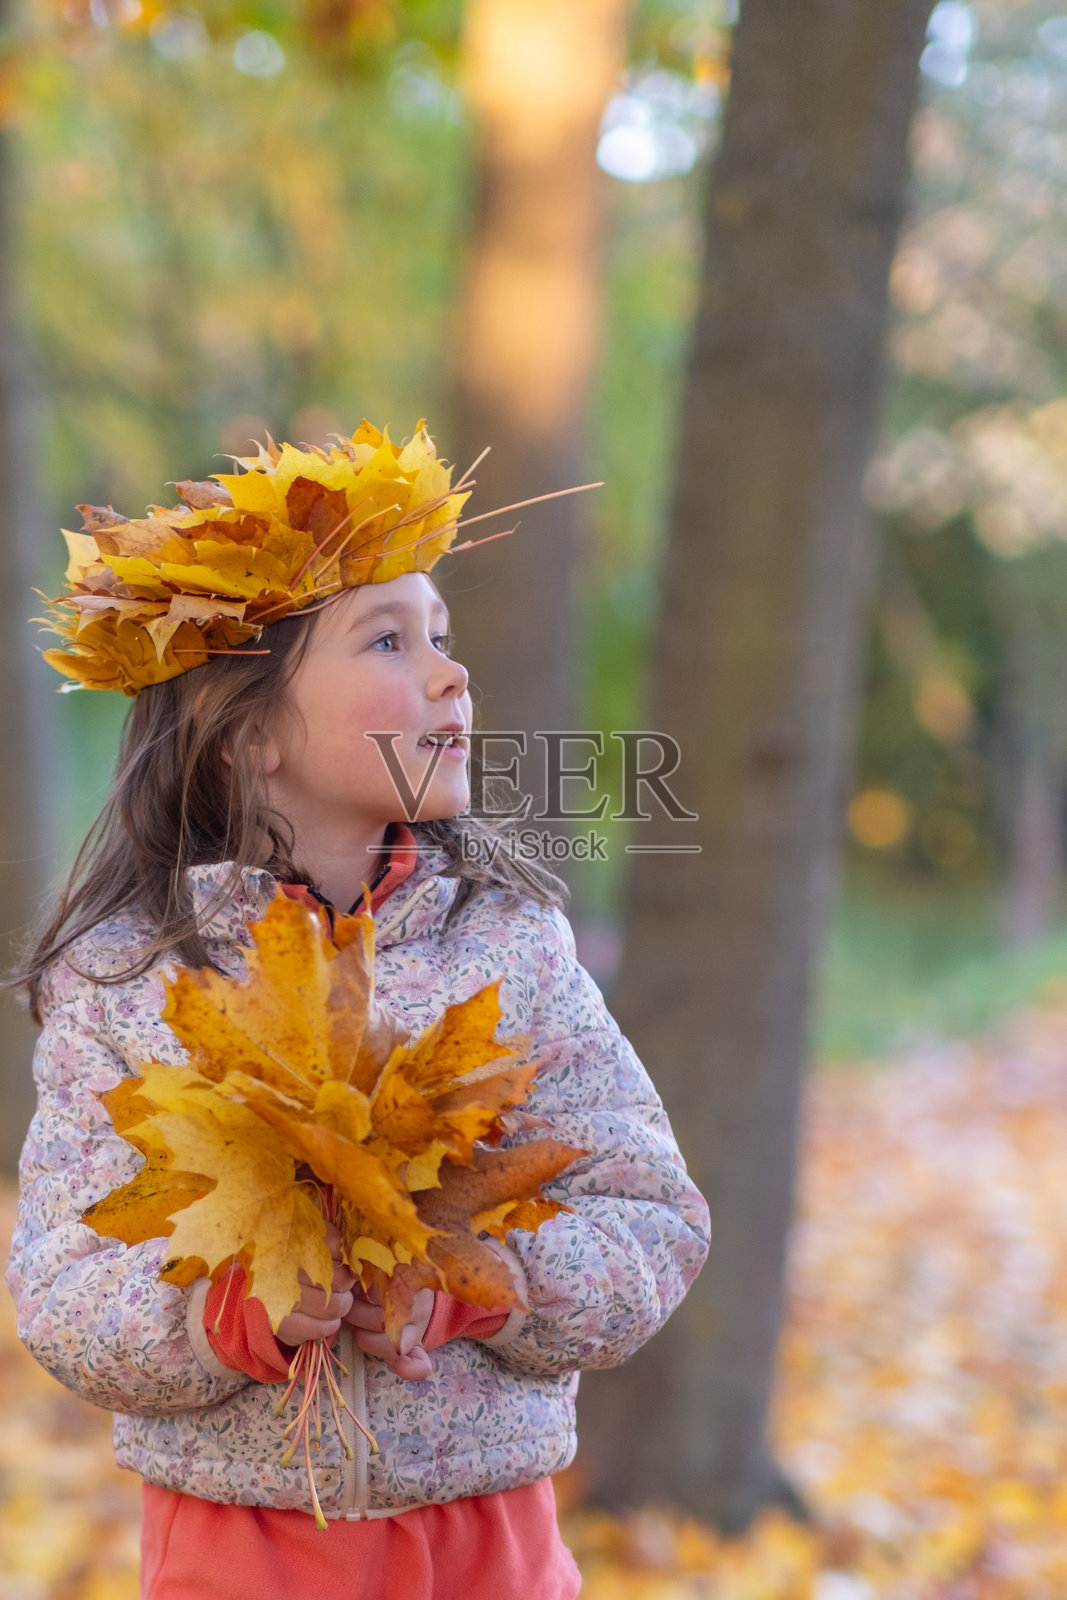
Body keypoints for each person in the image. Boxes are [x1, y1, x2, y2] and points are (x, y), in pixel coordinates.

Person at [6, 423, 710, 1600]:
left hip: (489, 1531)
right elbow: (63, 1283)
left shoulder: (507, 946)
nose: (450, 672)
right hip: (246, 1545)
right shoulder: (132, 980)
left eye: (443, 635)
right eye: (388, 640)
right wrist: (222, 1316)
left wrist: (491, 1279)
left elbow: (651, 1214)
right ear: (245, 733)